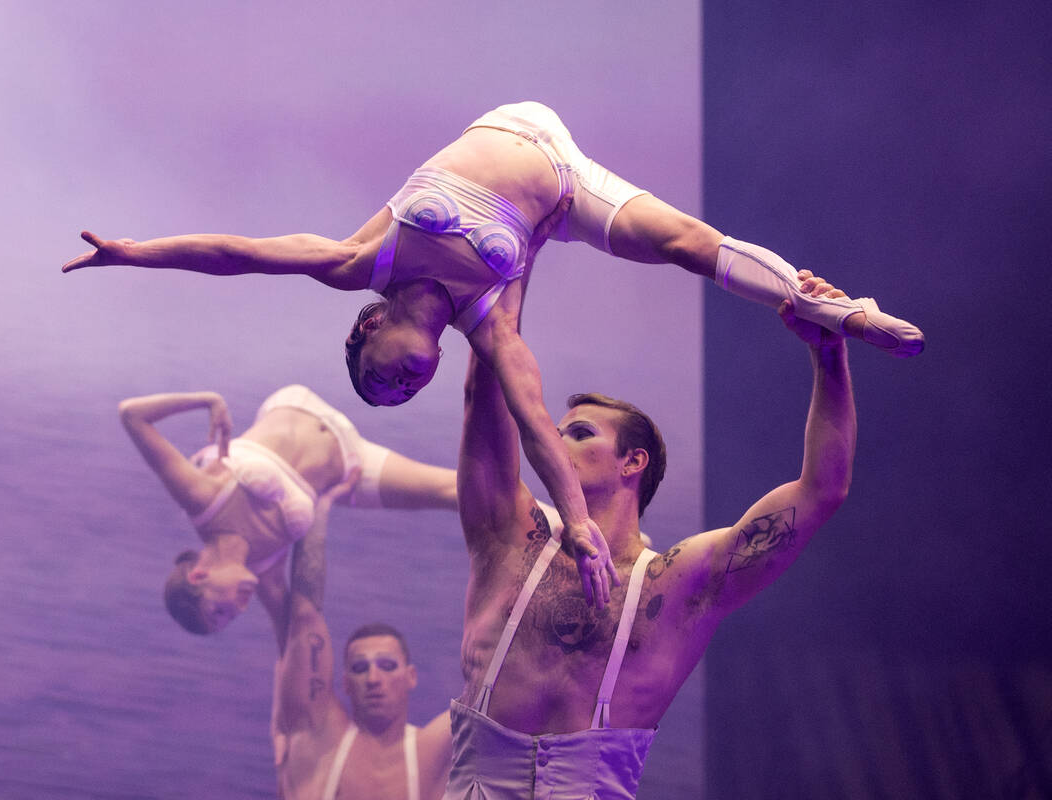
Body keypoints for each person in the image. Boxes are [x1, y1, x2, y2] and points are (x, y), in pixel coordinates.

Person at [65, 101, 913, 608]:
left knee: (693, 243)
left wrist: (135, 252)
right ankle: (831, 316)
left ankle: (831, 307)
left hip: (520, 128)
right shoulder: (487, 327)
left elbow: (242, 254)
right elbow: (539, 428)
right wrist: (580, 526)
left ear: (367, 326)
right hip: (566, 193)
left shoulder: (362, 262)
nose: (404, 382)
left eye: (382, 376)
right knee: (685, 244)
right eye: (404, 395)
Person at [445, 275, 857, 797]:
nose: (555, 437)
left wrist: (829, 353)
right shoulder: (510, 535)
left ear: (632, 462)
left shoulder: (679, 581)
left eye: (580, 432)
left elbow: (822, 490)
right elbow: (481, 396)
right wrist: (502, 260)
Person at [116, 383, 457, 637]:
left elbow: (131, 414)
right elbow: (292, 639)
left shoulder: (201, 499)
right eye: (232, 616)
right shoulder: (266, 571)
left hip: (298, 406)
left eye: (222, 610)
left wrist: (208, 400)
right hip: (352, 465)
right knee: (457, 492)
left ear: (198, 575)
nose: (241, 607)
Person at [270, 469, 452, 800]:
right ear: (344, 683)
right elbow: (304, 616)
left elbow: (502, 674)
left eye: (386, 665)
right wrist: (319, 511)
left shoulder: (435, 753)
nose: (373, 678)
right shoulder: (318, 743)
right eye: (360, 667)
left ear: (410, 676)